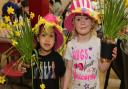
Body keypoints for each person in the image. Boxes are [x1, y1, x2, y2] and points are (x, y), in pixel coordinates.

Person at [63, 0, 116, 89]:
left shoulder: (98, 43)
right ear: (73, 23)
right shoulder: (71, 45)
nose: (82, 22)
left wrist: (109, 60)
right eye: (78, 19)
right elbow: (68, 69)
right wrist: (64, 87)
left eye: (86, 18)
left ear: (92, 22)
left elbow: (102, 69)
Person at [18, 13, 66, 89]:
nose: (47, 40)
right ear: (38, 38)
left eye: (51, 36)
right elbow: (26, 73)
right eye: (43, 35)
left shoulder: (57, 58)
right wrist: (22, 67)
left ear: (55, 40)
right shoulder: (32, 56)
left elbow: (62, 75)